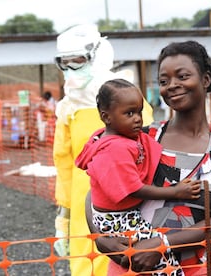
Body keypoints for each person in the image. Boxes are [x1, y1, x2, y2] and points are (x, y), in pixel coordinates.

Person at [90, 40, 211, 275]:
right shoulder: (141, 139)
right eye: (164, 81)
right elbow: (98, 191)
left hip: (190, 268)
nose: (172, 86)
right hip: (129, 266)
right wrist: (101, 238)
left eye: (183, 76)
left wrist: (161, 245)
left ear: (206, 79)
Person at [52, 24, 154, 276]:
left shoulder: (133, 104)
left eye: (78, 61)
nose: (71, 70)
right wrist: (62, 220)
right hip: (81, 213)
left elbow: (151, 159)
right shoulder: (68, 110)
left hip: (126, 211)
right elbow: (64, 168)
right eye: (64, 63)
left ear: (98, 56)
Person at [76, 78, 202, 275]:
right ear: (106, 117)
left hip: (116, 216)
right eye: (129, 113)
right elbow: (134, 189)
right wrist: (176, 191)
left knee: (159, 255)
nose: (138, 119)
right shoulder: (115, 149)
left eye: (139, 112)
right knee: (157, 256)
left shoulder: (118, 138)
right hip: (118, 219)